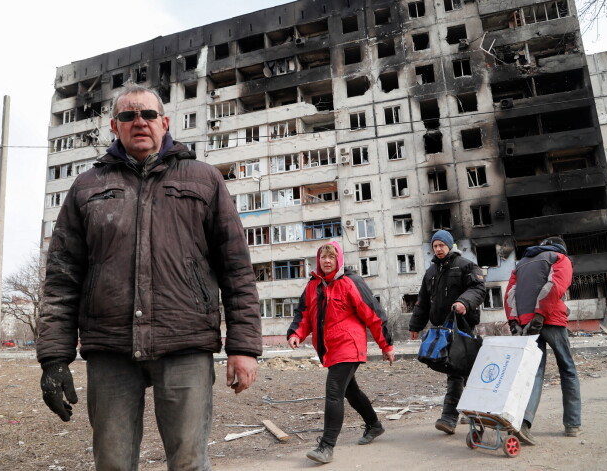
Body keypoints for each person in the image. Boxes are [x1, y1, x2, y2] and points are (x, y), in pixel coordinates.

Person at [36, 85, 262, 470]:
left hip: (185, 340)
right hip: (110, 347)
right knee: (112, 463)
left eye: (148, 115)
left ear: (165, 122)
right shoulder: (86, 186)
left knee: (189, 462)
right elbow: (61, 277)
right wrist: (54, 359)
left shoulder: (204, 178)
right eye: (128, 116)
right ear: (115, 126)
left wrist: (243, 347)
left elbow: (236, 267)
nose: (139, 121)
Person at [287, 241, 394, 465]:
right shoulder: (313, 286)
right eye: (323, 257)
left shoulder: (350, 282)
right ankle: (374, 425)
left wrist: (386, 345)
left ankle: (326, 446)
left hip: (349, 344)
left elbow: (373, 314)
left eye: (331, 257)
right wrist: (296, 333)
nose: (327, 261)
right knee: (350, 390)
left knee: (334, 390)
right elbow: (304, 314)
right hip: (330, 348)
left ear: (339, 260)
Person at [504, 236, 580, 444]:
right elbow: (555, 286)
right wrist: (540, 314)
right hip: (551, 319)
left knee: (534, 374)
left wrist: (513, 321)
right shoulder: (559, 258)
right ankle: (572, 424)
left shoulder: (521, 264)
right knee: (568, 369)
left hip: (527, 324)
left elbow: (510, 293)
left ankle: (524, 424)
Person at [409, 230, 486, 434]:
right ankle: (455, 417)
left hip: (464, 328)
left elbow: (478, 289)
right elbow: (423, 302)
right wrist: (415, 326)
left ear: (450, 246)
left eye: (441, 245)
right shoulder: (431, 272)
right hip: (443, 330)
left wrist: (463, 302)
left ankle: (468, 418)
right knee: (454, 370)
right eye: (435, 246)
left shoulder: (465, 265)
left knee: (464, 371)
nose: (438, 249)